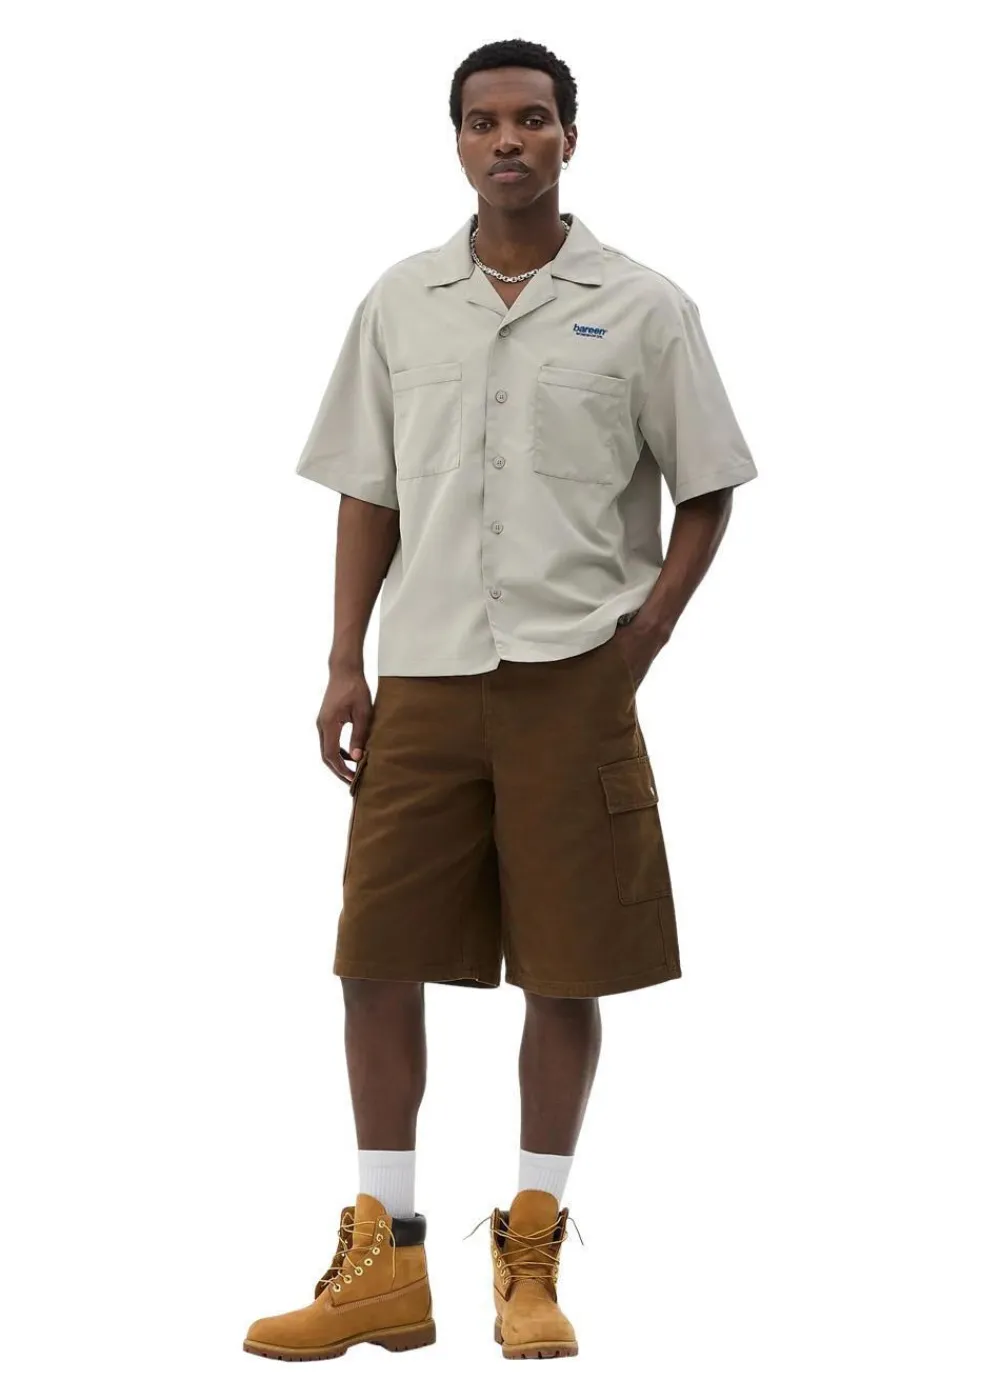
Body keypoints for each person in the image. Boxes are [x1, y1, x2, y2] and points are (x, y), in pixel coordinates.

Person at [243, 36, 757, 1364]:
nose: (508, 140)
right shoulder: (401, 302)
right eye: (484, 122)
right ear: (459, 141)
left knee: (567, 964)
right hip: (422, 675)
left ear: (571, 136)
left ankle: (531, 1255)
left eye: (533, 118)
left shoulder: (643, 306)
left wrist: (643, 637)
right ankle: (386, 1262)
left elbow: (708, 488)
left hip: (571, 678)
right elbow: (368, 490)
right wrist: (344, 660)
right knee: (374, 954)